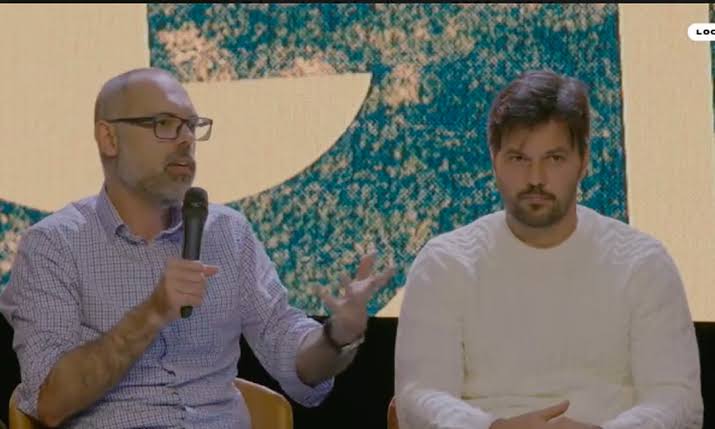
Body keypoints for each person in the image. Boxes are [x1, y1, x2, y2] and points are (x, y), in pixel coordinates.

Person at [0, 67, 394, 429]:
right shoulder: (53, 246)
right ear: (109, 138)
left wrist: (335, 338)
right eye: (164, 124)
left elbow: (290, 350)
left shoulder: (227, 232)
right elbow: (50, 401)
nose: (186, 139)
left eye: (191, 125)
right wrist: (153, 312)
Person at [394, 70, 703, 429]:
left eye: (554, 158)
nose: (536, 179)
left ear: (583, 161)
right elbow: (419, 395)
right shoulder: (446, 264)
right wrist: (494, 428)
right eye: (519, 159)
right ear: (494, 160)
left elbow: (677, 399)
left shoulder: (642, 263)